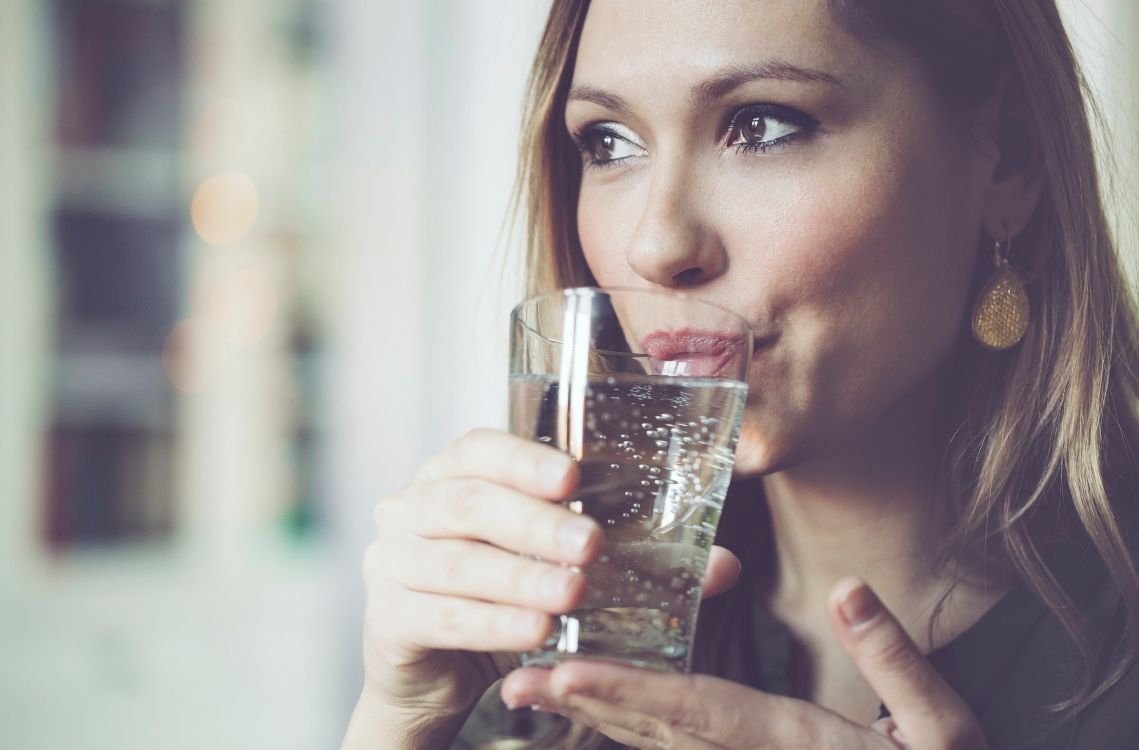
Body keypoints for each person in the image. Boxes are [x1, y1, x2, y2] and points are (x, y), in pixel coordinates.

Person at [341, 1, 1139, 748]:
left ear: (1007, 159)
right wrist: (400, 722)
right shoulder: (553, 644)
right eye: (608, 142)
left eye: (760, 125)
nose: (656, 245)